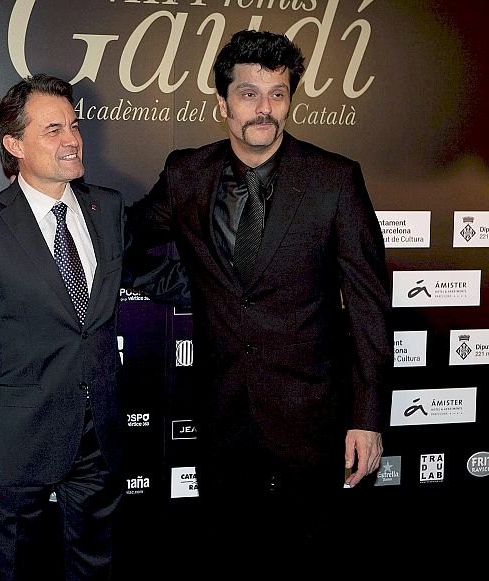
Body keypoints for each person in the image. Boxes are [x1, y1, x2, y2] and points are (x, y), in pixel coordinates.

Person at [125, 30, 393, 559]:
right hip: (221, 414)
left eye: (278, 94)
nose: (265, 109)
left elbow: (368, 305)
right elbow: (128, 245)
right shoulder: (187, 174)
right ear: (222, 102)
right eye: (249, 94)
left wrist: (366, 417)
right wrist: (193, 287)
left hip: (311, 417)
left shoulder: (334, 180)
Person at [0, 74, 126, 581]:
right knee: (11, 570)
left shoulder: (107, 208)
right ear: (14, 144)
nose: (71, 139)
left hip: (97, 433)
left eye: (73, 125)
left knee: (95, 567)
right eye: (52, 130)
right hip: (13, 441)